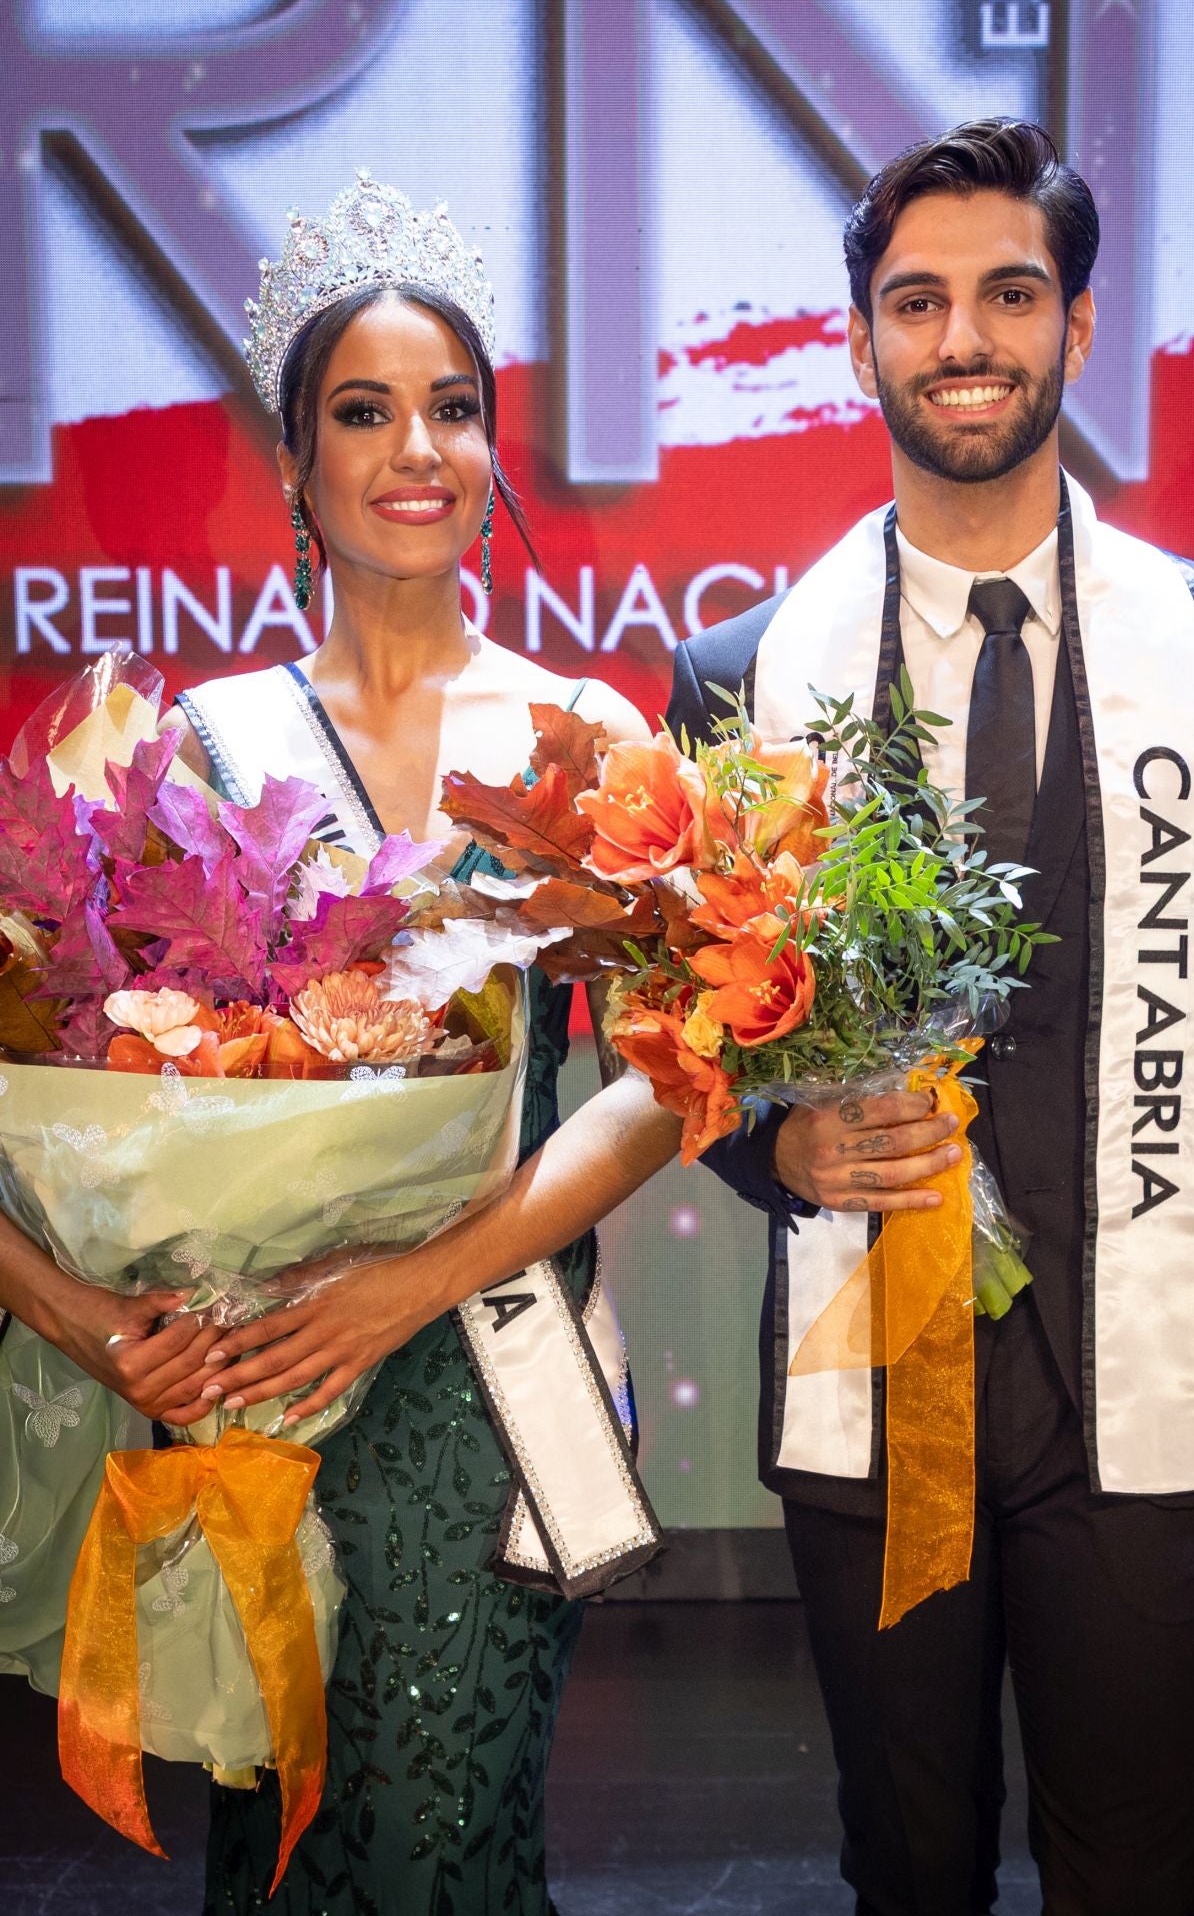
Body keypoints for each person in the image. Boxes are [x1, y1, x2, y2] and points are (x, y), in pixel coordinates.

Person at [665, 119, 1194, 1916]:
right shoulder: (746, 675)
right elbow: (683, 1036)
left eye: (1006, 293)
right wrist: (777, 1140)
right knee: (906, 1864)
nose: (961, 336)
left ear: (1076, 323)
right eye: (918, 301)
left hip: (1144, 1378)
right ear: (860, 341)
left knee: (1136, 1874)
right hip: (873, 1371)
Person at [0, 174, 681, 1916]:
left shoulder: (582, 730)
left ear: (494, 450)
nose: (415, 449)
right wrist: (97, 1316)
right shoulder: (199, 744)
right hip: (262, 1384)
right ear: (293, 468)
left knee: (454, 1819)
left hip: (490, 1368)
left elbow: (669, 1078)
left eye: (451, 409)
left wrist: (422, 1275)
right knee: (279, 1837)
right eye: (361, 413)